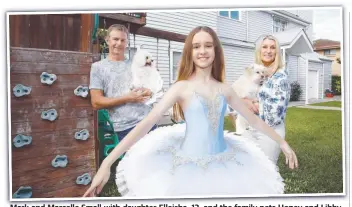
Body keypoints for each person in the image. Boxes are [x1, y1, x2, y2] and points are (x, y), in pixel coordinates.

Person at [83, 26, 298, 198]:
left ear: (215, 51)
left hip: (225, 163)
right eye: (196, 46)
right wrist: (107, 162)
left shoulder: (225, 89)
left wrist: (283, 143)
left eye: (207, 46)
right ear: (190, 51)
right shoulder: (181, 88)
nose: (202, 51)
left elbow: (254, 120)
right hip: (186, 167)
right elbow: (146, 123)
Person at [89, 24, 157, 142]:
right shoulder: (98, 68)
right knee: (136, 161)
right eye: (115, 39)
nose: (119, 43)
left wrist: (149, 91)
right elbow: (96, 102)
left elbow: (152, 89)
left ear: (126, 43)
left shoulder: (136, 64)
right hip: (125, 128)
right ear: (107, 40)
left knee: (159, 159)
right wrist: (127, 98)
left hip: (149, 121)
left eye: (123, 40)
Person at [243, 34, 291, 165]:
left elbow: (274, 114)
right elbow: (236, 97)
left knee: (266, 174)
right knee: (247, 172)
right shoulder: (253, 70)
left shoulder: (281, 76)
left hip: (270, 132)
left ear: (277, 52)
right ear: (259, 50)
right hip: (248, 130)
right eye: (264, 47)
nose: (268, 51)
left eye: (272, 47)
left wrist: (248, 103)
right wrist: (246, 102)